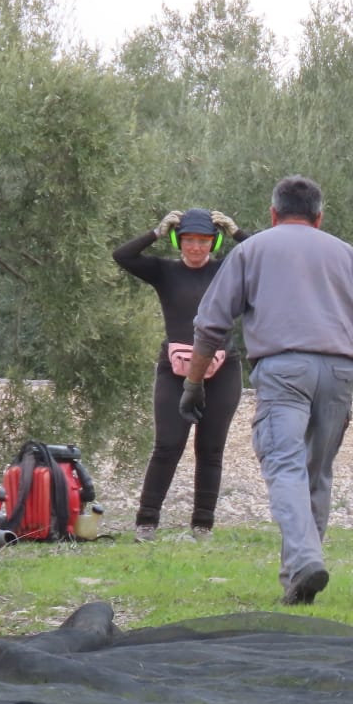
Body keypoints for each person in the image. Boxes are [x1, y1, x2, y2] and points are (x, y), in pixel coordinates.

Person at [180, 175, 353, 606]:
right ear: (320, 217)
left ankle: (303, 561)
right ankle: (296, 583)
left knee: (284, 465)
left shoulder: (252, 250)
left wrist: (193, 382)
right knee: (316, 474)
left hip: (283, 370)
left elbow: (211, 324)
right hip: (339, 372)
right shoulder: (346, 254)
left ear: (273, 214)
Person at [112, 207, 249, 543]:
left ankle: (202, 525)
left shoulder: (227, 270)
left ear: (213, 242)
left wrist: (237, 233)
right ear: (178, 241)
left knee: (211, 448)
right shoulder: (163, 271)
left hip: (222, 368)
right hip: (174, 370)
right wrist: (155, 232)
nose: (196, 247)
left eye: (203, 241)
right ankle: (147, 522)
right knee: (168, 444)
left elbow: (271, 261)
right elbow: (122, 255)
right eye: (189, 240)